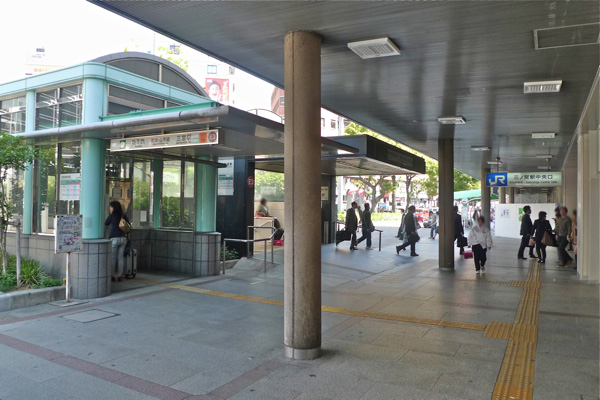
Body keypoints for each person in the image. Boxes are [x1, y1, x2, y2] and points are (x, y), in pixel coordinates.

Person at [105, 201, 129, 282]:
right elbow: (128, 225)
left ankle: (112, 275)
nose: (109, 208)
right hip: (123, 239)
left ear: (113, 207)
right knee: (120, 258)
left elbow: (106, 223)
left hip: (115, 238)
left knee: (113, 258)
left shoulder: (112, 215)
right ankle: (119, 275)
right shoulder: (123, 215)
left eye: (110, 207)